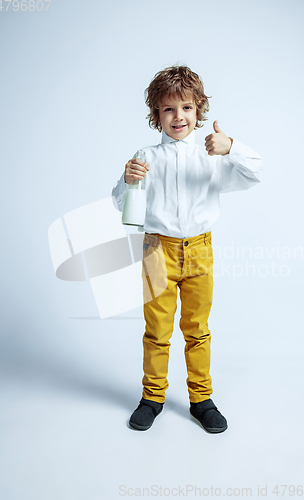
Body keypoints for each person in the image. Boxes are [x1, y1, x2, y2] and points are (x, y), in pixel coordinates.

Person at [112, 65, 263, 433]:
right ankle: (152, 397)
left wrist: (232, 148)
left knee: (197, 328)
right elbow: (121, 202)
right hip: (156, 249)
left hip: (199, 249)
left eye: (186, 108)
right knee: (157, 329)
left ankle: (201, 399)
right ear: (156, 115)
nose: (178, 116)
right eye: (168, 109)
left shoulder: (212, 156)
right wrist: (126, 180)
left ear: (199, 112)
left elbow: (255, 173)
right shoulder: (146, 156)